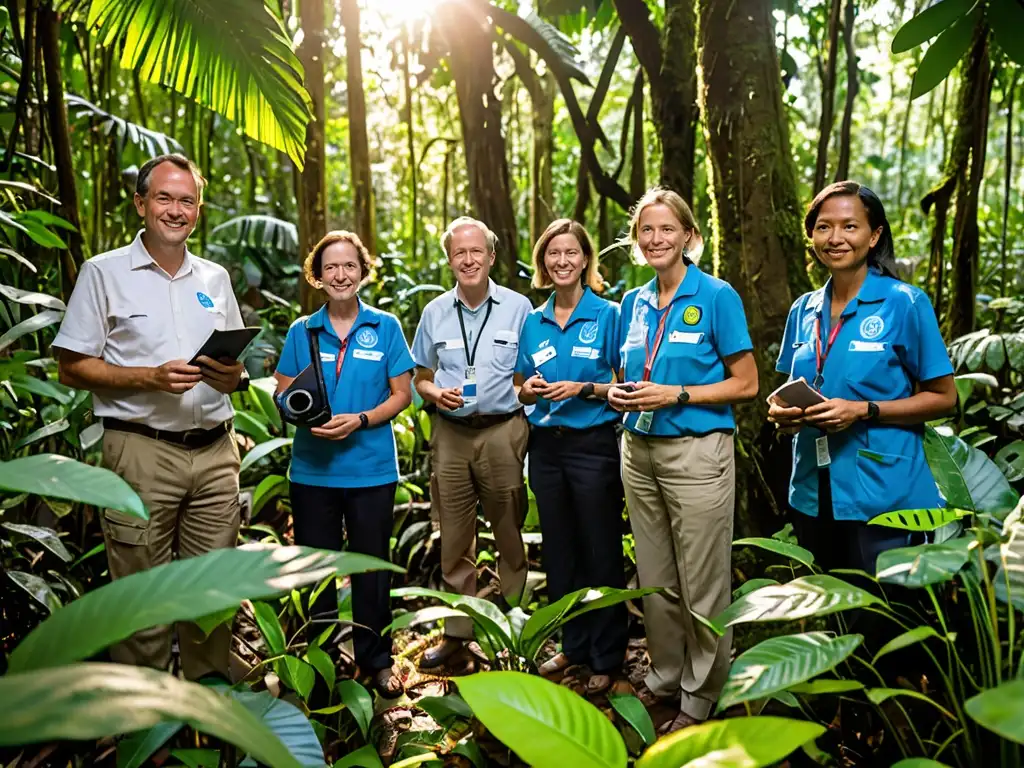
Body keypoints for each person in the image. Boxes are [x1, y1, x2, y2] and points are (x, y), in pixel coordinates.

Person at [54, 154, 248, 682]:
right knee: (141, 598)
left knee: (211, 596)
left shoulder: (214, 276)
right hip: (140, 452)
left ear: (199, 210)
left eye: (187, 200)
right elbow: (71, 367)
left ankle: (209, 720)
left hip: (214, 453)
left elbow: (233, 366)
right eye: (164, 198)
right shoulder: (104, 273)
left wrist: (233, 377)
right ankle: (150, 735)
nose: (175, 210)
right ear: (141, 204)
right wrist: (148, 378)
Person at [608, 187, 758, 733]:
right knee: (656, 573)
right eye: (647, 230)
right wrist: (621, 393)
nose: (656, 239)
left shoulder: (717, 296)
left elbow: (746, 382)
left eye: (667, 229)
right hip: (638, 448)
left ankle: (703, 689)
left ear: (689, 236)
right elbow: (630, 370)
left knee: (703, 577)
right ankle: (667, 672)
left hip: (697, 452)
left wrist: (677, 394)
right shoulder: (634, 302)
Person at [769, 181, 956, 572]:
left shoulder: (905, 303)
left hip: (885, 494)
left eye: (849, 226)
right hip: (812, 490)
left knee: (887, 618)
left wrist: (863, 410)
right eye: (824, 227)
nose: (835, 238)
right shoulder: (802, 310)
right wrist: (782, 415)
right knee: (836, 617)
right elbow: (787, 389)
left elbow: (944, 398)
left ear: (874, 236)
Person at [273, 231, 413, 698]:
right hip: (313, 470)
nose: (340, 274)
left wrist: (360, 419)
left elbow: (402, 395)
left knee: (371, 566)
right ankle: (320, 661)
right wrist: (300, 410)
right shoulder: (302, 331)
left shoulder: (385, 327)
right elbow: (283, 392)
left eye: (349, 266)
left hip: (372, 469)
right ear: (317, 275)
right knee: (316, 569)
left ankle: (376, 660)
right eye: (330, 267)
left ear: (362, 271)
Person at [411, 216, 532, 669]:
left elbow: (530, 375)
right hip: (452, 434)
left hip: (503, 429)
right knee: (455, 539)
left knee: (509, 531)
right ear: (449, 260)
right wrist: (434, 393)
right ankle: (458, 636)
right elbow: (420, 377)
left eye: (475, 251)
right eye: (459, 253)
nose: (468, 259)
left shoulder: (519, 309)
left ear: (491, 257)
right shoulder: (435, 312)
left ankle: (513, 630)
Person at [515, 219, 627, 694]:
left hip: (594, 446)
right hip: (546, 450)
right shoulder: (533, 322)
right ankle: (572, 644)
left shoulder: (609, 315)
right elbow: (520, 386)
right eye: (552, 254)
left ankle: (608, 656)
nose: (561, 261)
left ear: (585, 260)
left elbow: (625, 386)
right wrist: (530, 389)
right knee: (559, 552)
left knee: (600, 551)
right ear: (543, 262)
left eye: (570, 253)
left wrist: (585, 388)